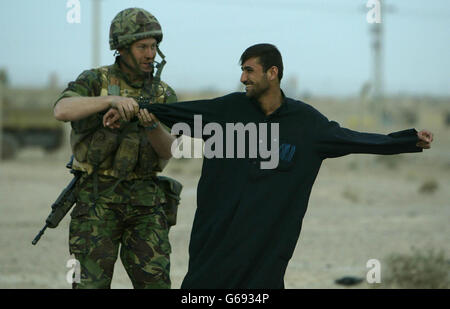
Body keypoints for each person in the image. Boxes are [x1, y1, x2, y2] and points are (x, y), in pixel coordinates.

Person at [104, 43, 434, 289]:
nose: (242, 77)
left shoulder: (305, 123)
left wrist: (405, 141)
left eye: (249, 70)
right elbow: (178, 112)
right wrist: (133, 109)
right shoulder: (228, 110)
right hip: (216, 238)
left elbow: (353, 139)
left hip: (266, 245)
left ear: (272, 73)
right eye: (242, 70)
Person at [53, 8, 179, 289]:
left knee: (156, 284)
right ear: (121, 48)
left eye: (154, 46)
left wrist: (150, 124)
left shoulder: (163, 94)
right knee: (87, 285)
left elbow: (170, 149)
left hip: (146, 204)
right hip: (97, 200)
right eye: (142, 47)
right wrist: (110, 101)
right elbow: (62, 110)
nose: (150, 54)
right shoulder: (94, 80)